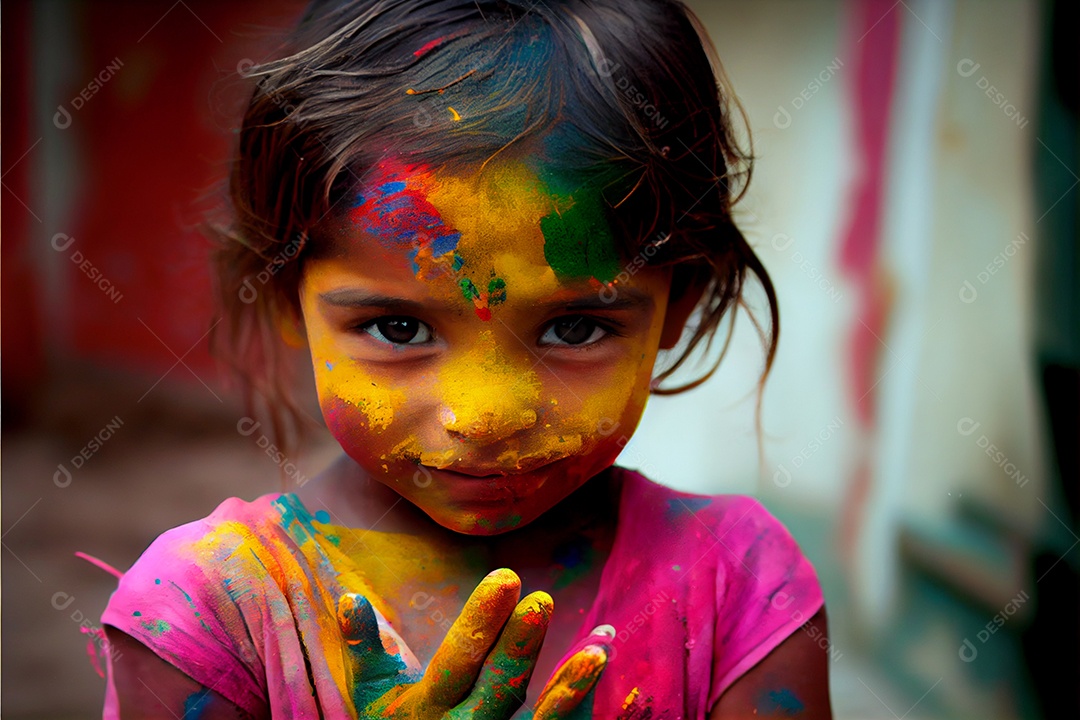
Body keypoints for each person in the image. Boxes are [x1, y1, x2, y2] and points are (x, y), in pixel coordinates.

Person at [97, 0, 832, 717]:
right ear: (288, 296)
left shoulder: (740, 588)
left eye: (573, 330)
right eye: (397, 328)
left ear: (679, 305)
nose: (484, 419)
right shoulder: (205, 615)